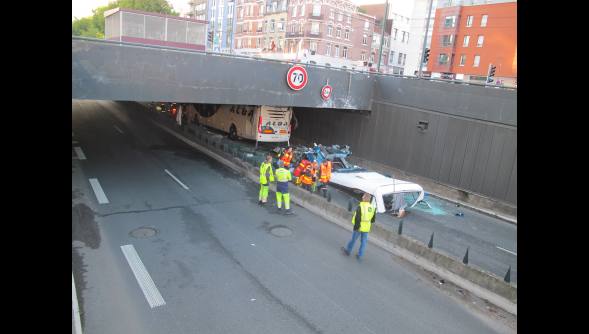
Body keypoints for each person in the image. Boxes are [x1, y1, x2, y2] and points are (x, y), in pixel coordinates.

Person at [342, 193, 376, 261]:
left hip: (359, 227)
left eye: (363, 197)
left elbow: (357, 218)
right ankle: (360, 255)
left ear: (364, 198)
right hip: (366, 228)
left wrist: (356, 227)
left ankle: (348, 251)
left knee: (353, 239)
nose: (362, 198)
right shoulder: (372, 208)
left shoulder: (361, 206)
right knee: (363, 242)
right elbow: (373, 220)